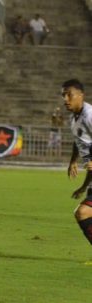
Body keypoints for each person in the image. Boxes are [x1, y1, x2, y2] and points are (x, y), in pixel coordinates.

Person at [63, 80, 92, 249]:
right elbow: (78, 141)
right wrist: (73, 160)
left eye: (69, 95)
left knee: (83, 212)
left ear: (81, 95)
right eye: (63, 95)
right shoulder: (74, 118)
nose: (66, 99)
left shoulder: (89, 116)